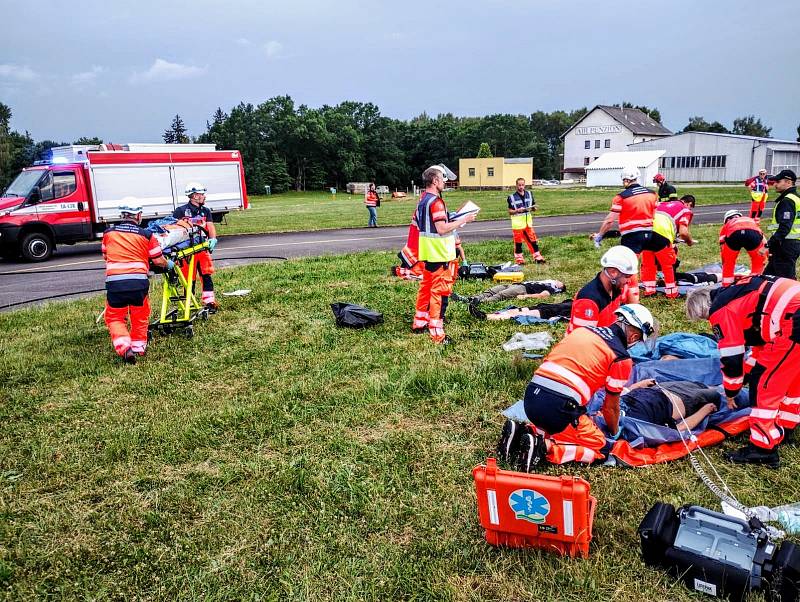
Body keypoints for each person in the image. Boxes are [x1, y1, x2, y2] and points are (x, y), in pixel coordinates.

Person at [496, 304, 656, 470]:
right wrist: (614, 431)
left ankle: (522, 431)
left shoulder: (583, 331)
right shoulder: (621, 358)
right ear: (633, 336)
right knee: (601, 447)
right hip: (559, 409)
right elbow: (610, 408)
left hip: (531, 399)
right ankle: (544, 448)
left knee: (560, 428)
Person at [686, 275, 800, 467]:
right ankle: (785, 427)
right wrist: (745, 374)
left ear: (704, 309)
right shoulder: (737, 292)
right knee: (792, 378)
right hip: (791, 314)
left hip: (794, 322)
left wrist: (731, 391)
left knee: (765, 384)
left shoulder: (721, 309)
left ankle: (763, 449)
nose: (710, 322)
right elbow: (760, 348)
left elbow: (731, 357)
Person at [477, 246, 640, 330]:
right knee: (525, 305)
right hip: (543, 298)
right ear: (612, 272)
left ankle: (489, 315)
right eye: (627, 276)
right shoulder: (589, 298)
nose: (629, 281)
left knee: (531, 310)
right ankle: (480, 302)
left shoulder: (611, 290)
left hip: (550, 303)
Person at [411, 165, 476, 344]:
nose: (445, 182)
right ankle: (437, 333)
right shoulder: (436, 202)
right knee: (439, 293)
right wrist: (464, 219)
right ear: (435, 180)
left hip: (428, 253)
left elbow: (419, 224)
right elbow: (441, 228)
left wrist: (453, 216)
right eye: (442, 178)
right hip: (441, 254)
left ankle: (419, 322)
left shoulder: (423, 201)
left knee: (425, 288)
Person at [102, 200, 172, 364]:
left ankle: (125, 347)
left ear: (122, 215)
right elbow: (159, 260)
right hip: (138, 283)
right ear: (139, 215)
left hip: (115, 283)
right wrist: (169, 264)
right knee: (140, 315)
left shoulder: (108, 233)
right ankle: (139, 347)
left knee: (114, 318)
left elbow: (106, 256)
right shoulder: (146, 235)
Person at [173, 182, 219, 310]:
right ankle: (189, 303)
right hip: (187, 251)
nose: (204, 197)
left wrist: (213, 239)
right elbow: (174, 231)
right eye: (202, 194)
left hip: (202, 249)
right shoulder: (180, 211)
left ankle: (209, 302)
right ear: (194, 196)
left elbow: (210, 226)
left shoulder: (205, 210)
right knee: (188, 278)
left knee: (206, 275)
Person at [595, 168, 658, 257]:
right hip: (650, 234)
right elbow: (655, 215)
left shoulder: (621, 197)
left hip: (631, 235)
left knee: (629, 264)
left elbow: (609, 220)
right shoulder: (652, 194)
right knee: (647, 263)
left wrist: (600, 235)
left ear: (627, 180)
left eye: (623, 180)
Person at [621, 379, 720, 431]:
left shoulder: (609, 404)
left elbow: (625, 391)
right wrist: (705, 410)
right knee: (715, 395)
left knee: (698, 384)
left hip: (661, 388)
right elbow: (680, 429)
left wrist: (640, 384)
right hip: (683, 401)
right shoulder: (633, 428)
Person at [764, 169, 800, 279]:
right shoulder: (796, 198)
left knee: (786, 281)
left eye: (778, 182)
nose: (775, 184)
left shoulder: (787, 201)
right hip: (790, 244)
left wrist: (769, 244)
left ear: (788, 182)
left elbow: (784, 227)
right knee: (768, 277)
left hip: (785, 245)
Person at [718, 209, 767, 286]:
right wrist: (766, 253)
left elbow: (722, 243)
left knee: (728, 263)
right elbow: (762, 237)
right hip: (753, 234)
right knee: (758, 260)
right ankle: (756, 283)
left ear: (726, 219)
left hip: (734, 235)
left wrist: (724, 260)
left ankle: (726, 286)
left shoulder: (727, 224)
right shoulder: (750, 220)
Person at [507, 177, 544, 265]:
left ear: (525, 185)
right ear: (516, 185)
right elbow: (510, 211)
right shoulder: (511, 197)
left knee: (533, 241)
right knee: (518, 243)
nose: (521, 187)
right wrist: (517, 211)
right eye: (519, 185)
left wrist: (534, 208)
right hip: (517, 224)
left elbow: (533, 206)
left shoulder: (530, 194)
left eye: (522, 185)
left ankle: (538, 257)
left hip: (528, 223)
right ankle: (519, 260)